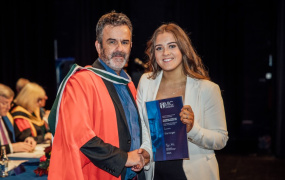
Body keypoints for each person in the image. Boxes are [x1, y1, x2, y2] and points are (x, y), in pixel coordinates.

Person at [48, 11, 151, 180]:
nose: (119, 49)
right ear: (98, 46)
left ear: (131, 46)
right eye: (112, 42)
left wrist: (144, 152)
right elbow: (80, 137)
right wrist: (125, 159)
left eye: (124, 42)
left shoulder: (130, 84)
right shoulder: (80, 82)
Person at [136, 23, 229, 180]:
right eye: (159, 48)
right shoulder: (146, 82)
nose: (165, 52)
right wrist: (145, 152)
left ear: (183, 48)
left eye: (172, 46)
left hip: (193, 173)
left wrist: (193, 129)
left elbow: (221, 139)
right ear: (154, 53)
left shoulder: (207, 89)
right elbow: (144, 128)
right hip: (155, 172)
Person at [0, 83, 36, 154]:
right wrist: (11, 148)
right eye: (4, 103)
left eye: (10, 103)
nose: (9, 107)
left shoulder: (7, 117)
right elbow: (13, 146)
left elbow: (19, 137)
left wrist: (28, 140)